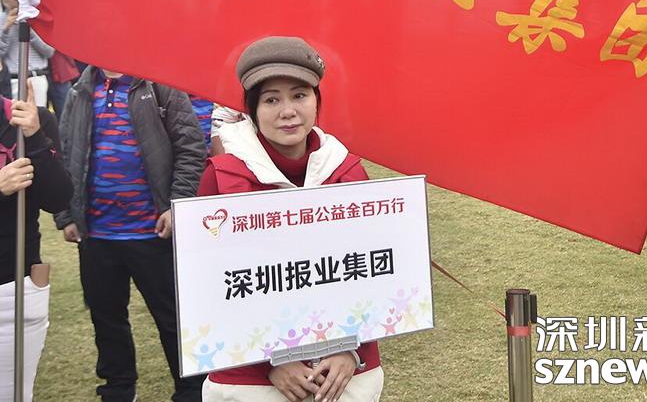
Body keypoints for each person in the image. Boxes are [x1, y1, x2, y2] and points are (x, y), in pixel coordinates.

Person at [200, 37, 383, 402]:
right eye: (271, 100)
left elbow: (373, 273)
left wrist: (350, 349)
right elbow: (206, 283)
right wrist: (269, 359)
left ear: (317, 101)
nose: (288, 111)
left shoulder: (347, 172)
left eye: (299, 95)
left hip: (341, 367)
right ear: (252, 109)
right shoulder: (222, 177)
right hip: (250, 373)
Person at [56, 66, 207, 401]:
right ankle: (118, 389)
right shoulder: (81, 90)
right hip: (96, 234)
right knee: (106, 318)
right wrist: (66, 214)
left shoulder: (160, 85)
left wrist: (176, 204)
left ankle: (191, 390)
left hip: (153, 232)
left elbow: (191, 146)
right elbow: (66, 152)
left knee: (173, 318)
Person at [0, 80, 72, 402]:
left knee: (14, 393)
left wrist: (35, 137)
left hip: (16, 287)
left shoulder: (30, 119)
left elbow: (58, 199)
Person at [0, 0, 54, 107]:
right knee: (12, 116)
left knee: (37, 116)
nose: (21, 3)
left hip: (36, 78)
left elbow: (49, 52)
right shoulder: (1, 21)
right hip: (11, 80)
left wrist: (29, 31)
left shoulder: (38, 19)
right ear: (5, 1)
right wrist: (6, 29)